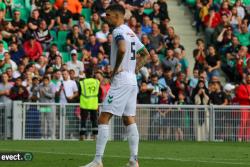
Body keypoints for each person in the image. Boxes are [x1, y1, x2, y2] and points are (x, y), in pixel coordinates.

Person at [81, 4, 150, 167]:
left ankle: (98, 161)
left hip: (122, 79)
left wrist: (115, 69)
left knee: (103, 117)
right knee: (128, 119)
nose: (107, 18)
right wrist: (135, 68)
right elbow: (145, 54)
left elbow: (121, 49)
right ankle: (134, 160)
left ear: (117, 15)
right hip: (132, 79)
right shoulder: (130, 32)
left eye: (108, 15)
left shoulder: (118, 31)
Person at [79, 69, 100, 140]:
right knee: (94, 120)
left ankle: (82, 136)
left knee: (83, 120)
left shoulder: (82, 82)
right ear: (93, 73)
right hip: (94, 103)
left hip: (84, 103)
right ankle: (95, 136)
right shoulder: (97, 82)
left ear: (86, 74)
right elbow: (99, 93)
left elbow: (79, 92)